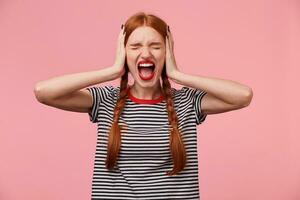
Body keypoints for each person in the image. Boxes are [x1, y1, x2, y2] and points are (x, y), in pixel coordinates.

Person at [34, 12, 253, 200]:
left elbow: (243, 95)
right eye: (135, 46)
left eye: (156, 46)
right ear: (124, 53)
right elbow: (43, 92)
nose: (146, 54)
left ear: (167, 53)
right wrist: (111, 71)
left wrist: (177, 74)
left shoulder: (187, 102)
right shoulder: (106, 100)